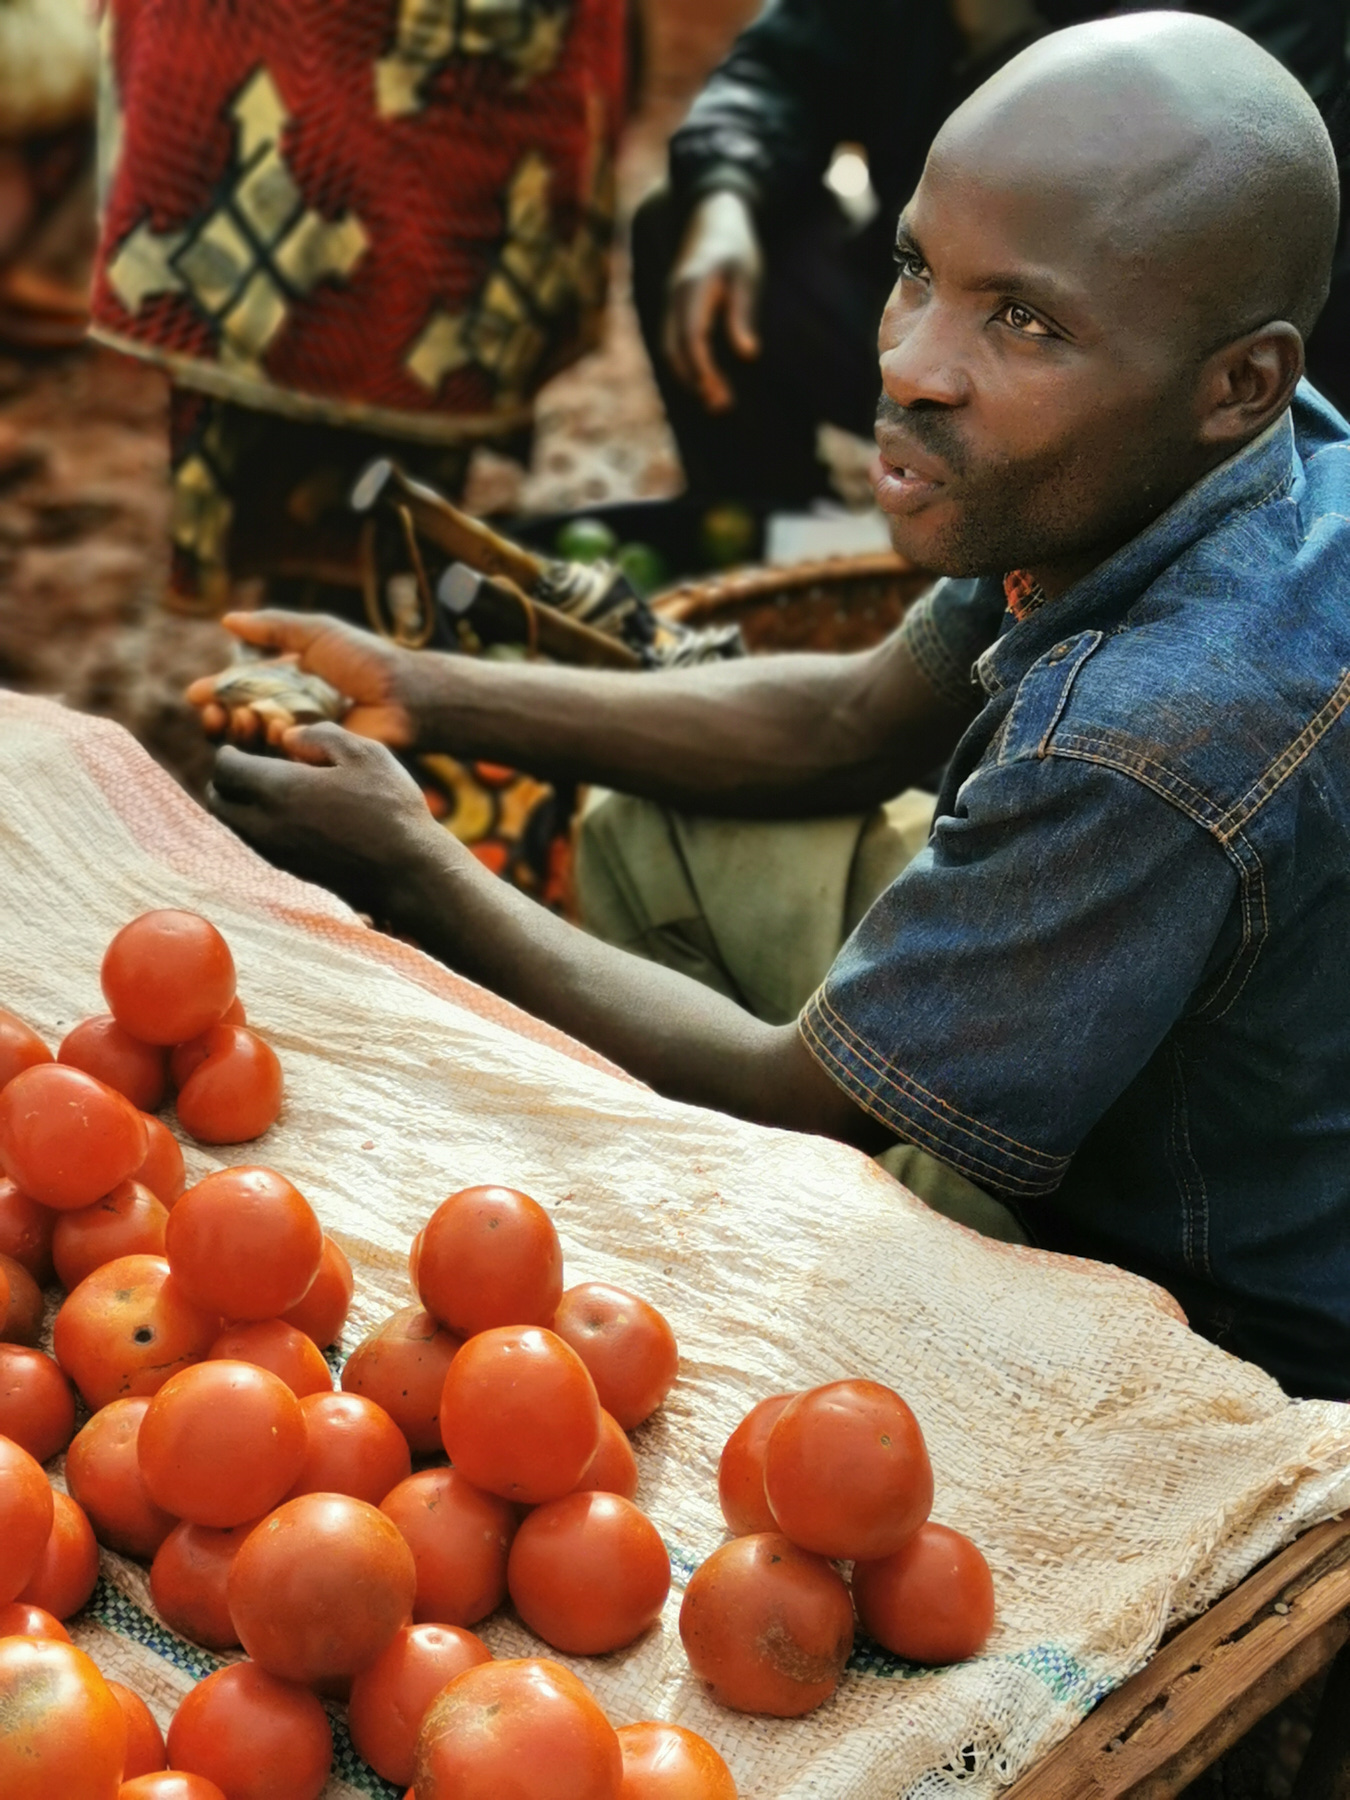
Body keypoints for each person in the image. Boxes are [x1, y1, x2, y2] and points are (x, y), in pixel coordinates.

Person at [191, 14, 1350, 1401]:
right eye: (915, 269)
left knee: (765, 1171)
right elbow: (847, 723)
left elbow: (797, 1097)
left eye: (1023, 320)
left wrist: (408, 862)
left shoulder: (1148, 733)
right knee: (652, 830)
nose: (911, 363)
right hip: (1178, 1090)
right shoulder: (1208, 457)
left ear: (1240, 383)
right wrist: (422, 691)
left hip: (1209, 1325)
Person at [633, 0, 1350, 510]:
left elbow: (1233, 210)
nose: (904, 371)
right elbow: (770, 75)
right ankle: (770, 533)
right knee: (687, 220)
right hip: (958, 317)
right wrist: (725, 195)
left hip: (1136, 372)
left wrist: (1006, 41)